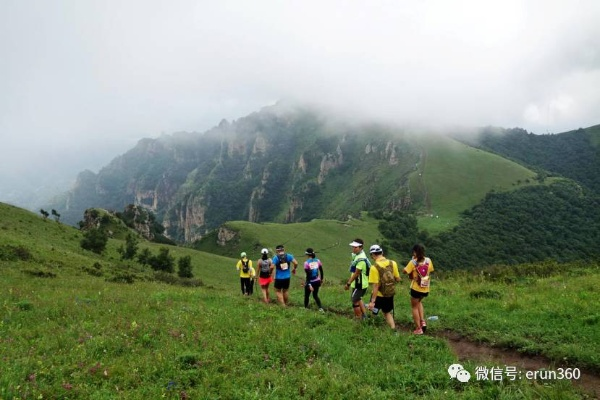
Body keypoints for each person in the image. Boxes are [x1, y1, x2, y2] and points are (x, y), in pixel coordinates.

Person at [367, 244, 401, 330]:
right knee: (387, 312)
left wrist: (372, 301)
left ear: (373, 255)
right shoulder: (393, 263)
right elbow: (397, 279)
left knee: (373, 311)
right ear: (382, 252)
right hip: (389, 293)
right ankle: (393, 330)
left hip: (378, 295)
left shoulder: (374, 267)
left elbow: (375, 286)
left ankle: (371, 328)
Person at [403, 244, 434, 335]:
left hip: (416, 288)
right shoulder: (428, 260)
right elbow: (430, 270)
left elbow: (405, 271)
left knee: (414, 307)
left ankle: (418, 328)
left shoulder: (413, 262)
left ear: (415, 252)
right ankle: (422, 321)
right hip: (425, 288)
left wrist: (411, 261)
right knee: (419, 303)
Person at [344, 239, 370, 320]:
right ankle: (364, 316)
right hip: (358, 283)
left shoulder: (361, 259)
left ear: (361, 247)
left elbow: (357, 273)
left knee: (354, 300)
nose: (353, 249)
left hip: (360, 283)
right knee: (358, 298)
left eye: (355, 247)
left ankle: (358, 318)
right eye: (353, 247)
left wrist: (348, 283)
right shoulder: (359, 255)